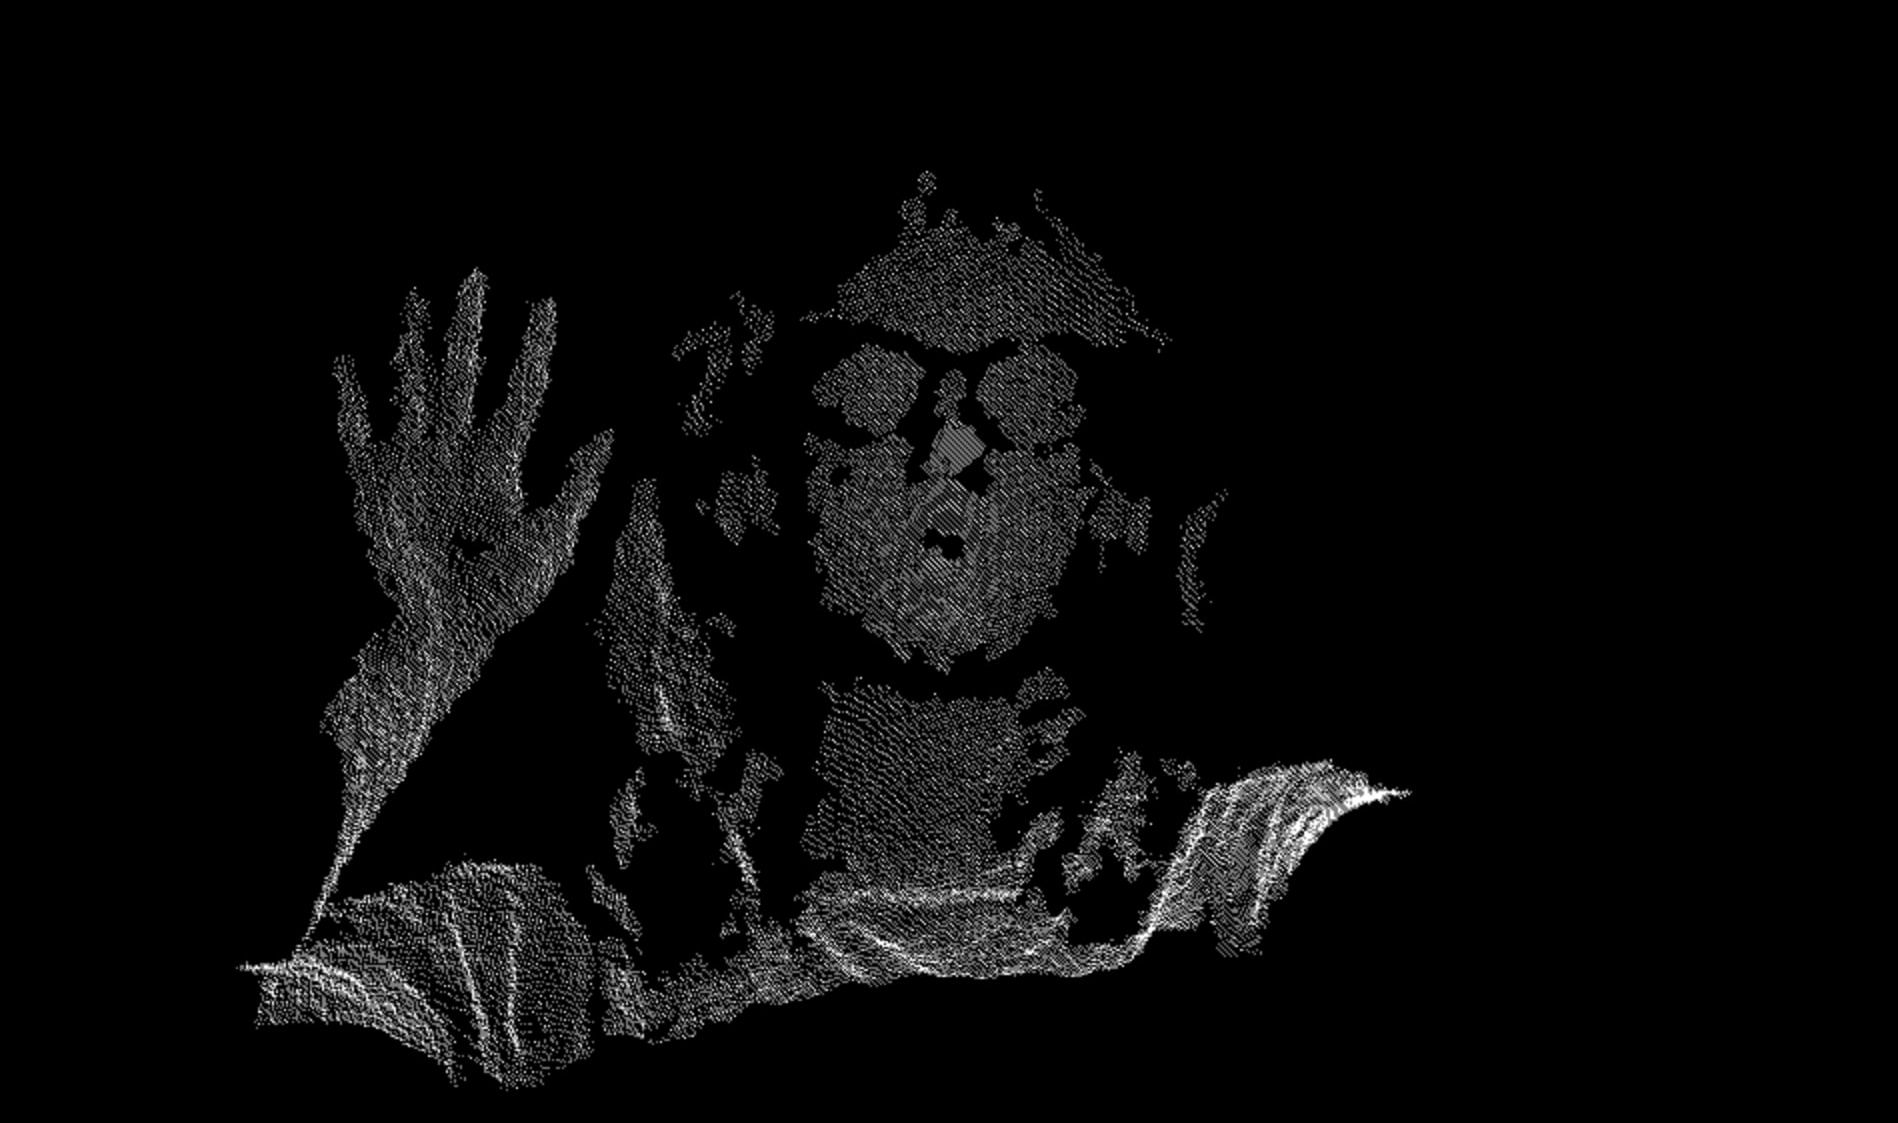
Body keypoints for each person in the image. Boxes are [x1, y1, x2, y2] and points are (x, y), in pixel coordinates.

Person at [240, 174, 1407, 1089]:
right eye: (870, 391)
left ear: (1109, 499)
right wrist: (417, 659)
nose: (950, 450)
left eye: (1027, 400)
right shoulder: (543, 966)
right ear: (755, 480)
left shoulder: (1238, 870)